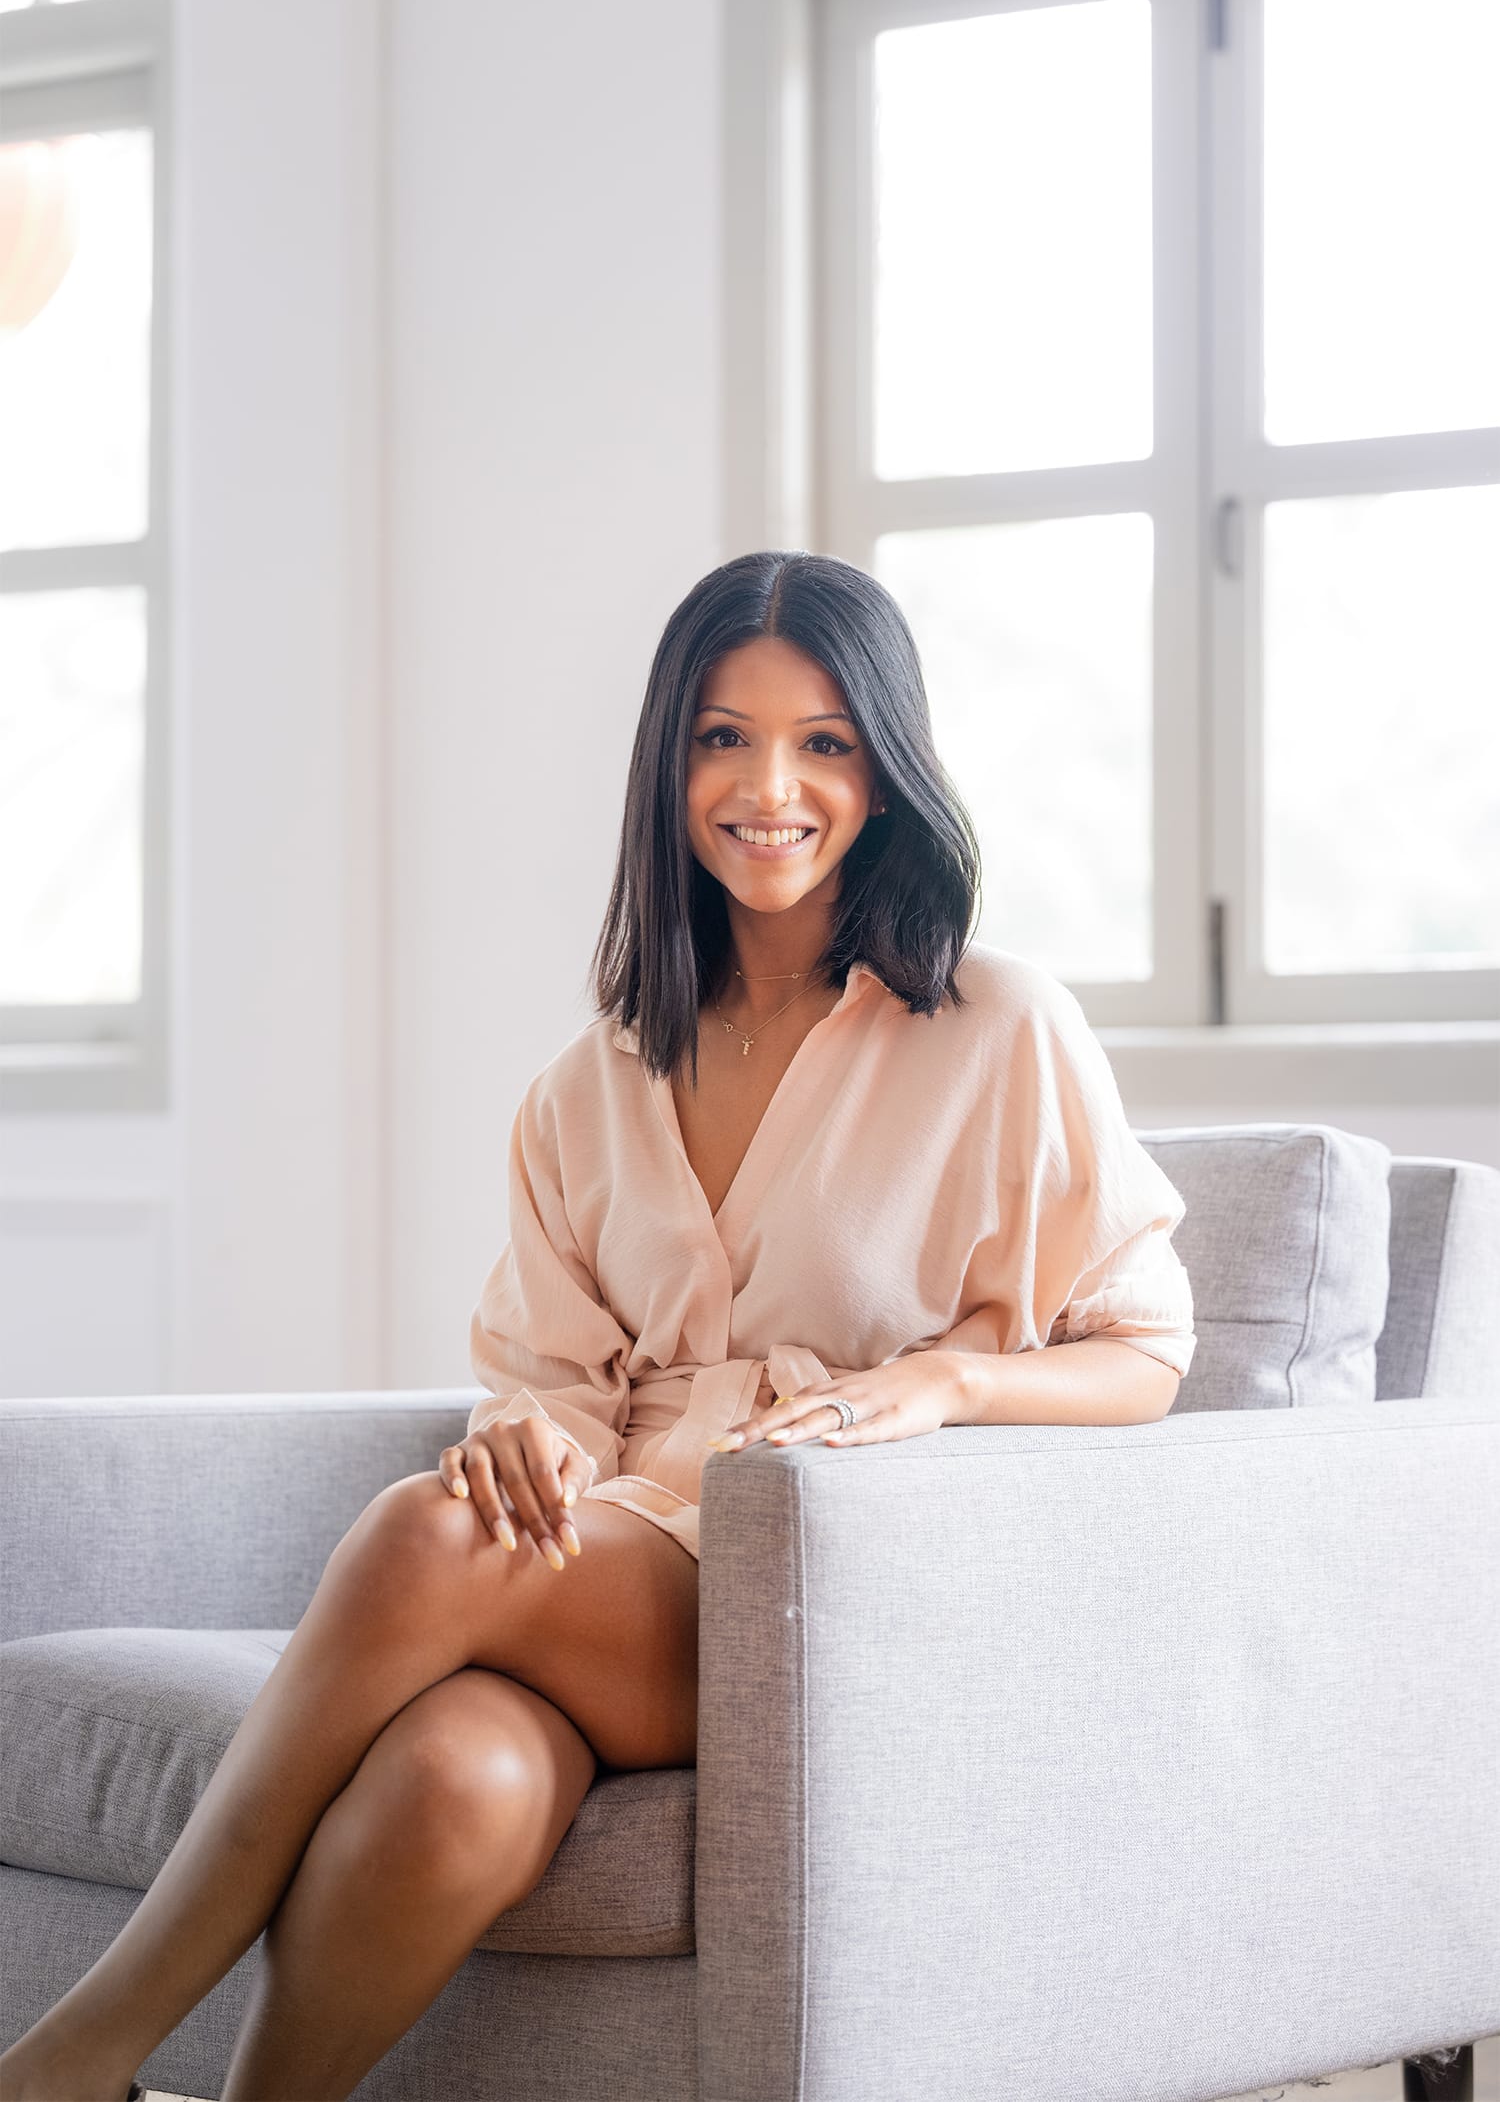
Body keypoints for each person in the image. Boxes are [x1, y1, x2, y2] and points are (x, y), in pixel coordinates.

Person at [0, 550, 1195, 2102]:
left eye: (824, 740)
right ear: (669, 762)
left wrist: (948, 1380)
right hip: (617, 1570)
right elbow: (555, 1386)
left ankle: (74, 2054)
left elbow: (1147, 1349)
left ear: (888, 772)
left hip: (828, 1588)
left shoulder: (1000, 1027)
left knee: (427, 1540)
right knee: (453, 1781)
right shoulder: (592, 1082)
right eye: (723, 735)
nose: (770, 784)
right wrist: (517, 1431)